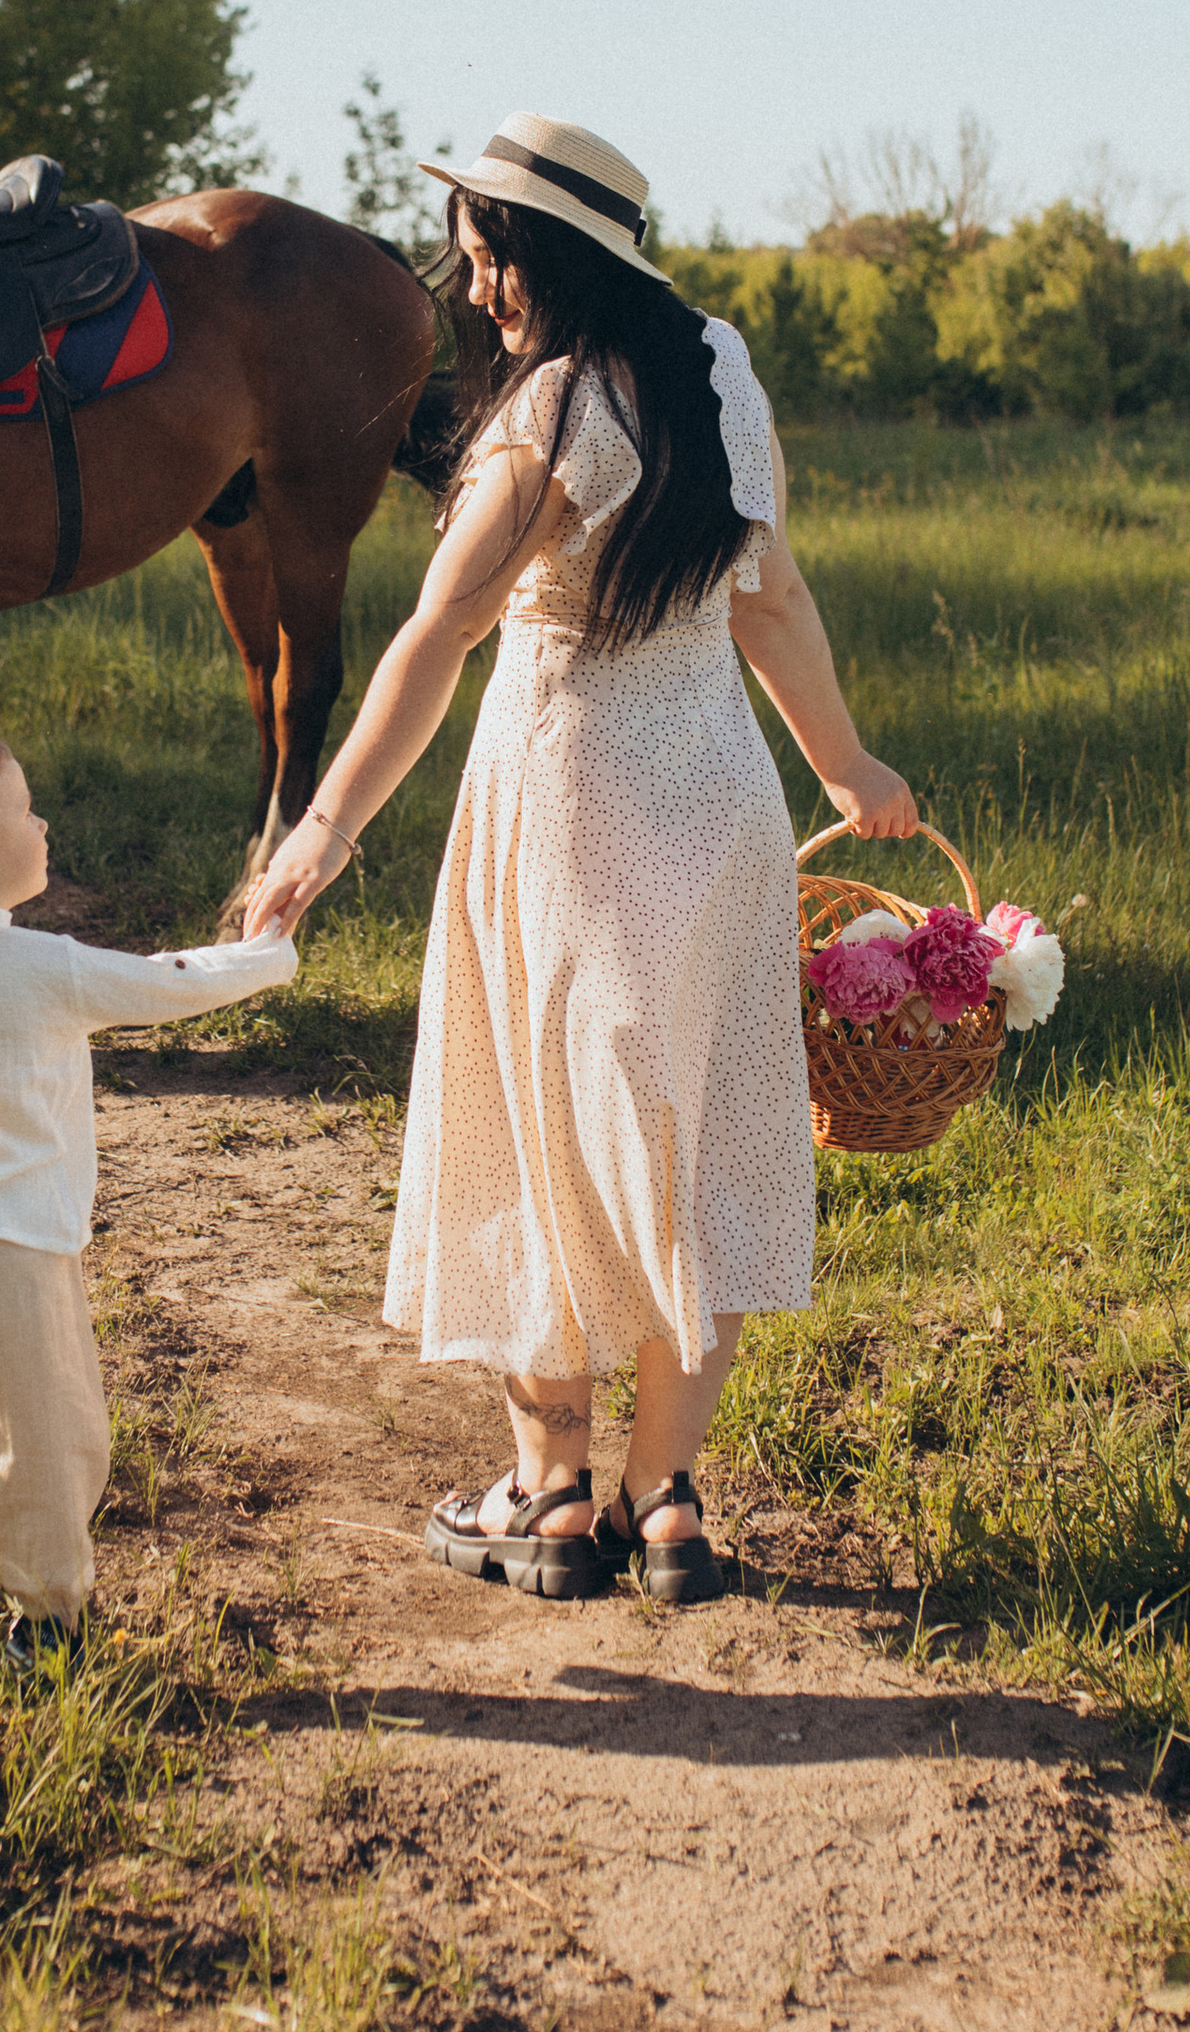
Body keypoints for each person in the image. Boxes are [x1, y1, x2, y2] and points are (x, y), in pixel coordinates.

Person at [243, 110, 915, 1605]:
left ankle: (552, 1495)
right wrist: (846, 766)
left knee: (531, 1130)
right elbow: (774, 594)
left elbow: (437, 637)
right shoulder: (720, 375)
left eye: (484, 258)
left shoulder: (545, 417)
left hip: (565, 808)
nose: (475, 287)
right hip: (721, 798)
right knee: (691, 1126)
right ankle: (667, 1503)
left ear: (541, 259)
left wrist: (326, 828)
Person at [0, 703, 298, 1659]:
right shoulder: (40, 966)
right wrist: (262, 953)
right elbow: (167, 983)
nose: (44, 825)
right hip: (11, 1251)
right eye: (28, 811)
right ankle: (48, 1617)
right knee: (38, 1435)